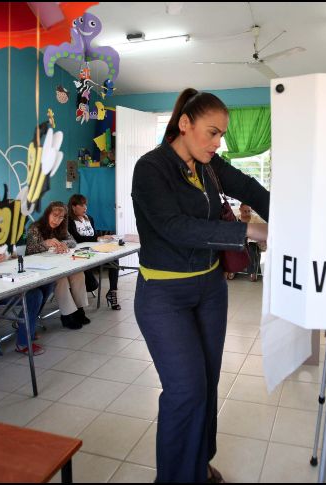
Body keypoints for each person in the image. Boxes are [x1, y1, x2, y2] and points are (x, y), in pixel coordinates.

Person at [131, 88, 269, 483]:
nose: (217, 143)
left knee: (207, 383)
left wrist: (291, 216)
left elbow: (250, 188)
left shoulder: (209, 166)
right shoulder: (151, 168)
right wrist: (249, 231)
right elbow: (174, 227)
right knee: (186, 389)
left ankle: (198, 465)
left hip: (209, 289)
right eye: (212, 132)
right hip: (164, 295)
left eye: (221, 134)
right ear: (184, 124)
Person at [0, 229, 54, 355]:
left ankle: (26, 325)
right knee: (34, 295)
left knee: (47, 284)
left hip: (8, 280)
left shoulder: (8, 235)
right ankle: (23, 342)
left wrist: (17, 259)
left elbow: (12, 256)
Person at [25, 201, 89, 330]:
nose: (57, 220)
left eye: (61, 217)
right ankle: (67, 314)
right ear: (47, 214)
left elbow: (73, 242)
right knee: (61, 279)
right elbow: (30, 250)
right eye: (54, 216)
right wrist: (45, 243)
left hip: (58, 263)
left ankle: (79, 309)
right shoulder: (35, 227)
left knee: (78, 274)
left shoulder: (62, 227)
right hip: (38, 267)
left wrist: (63, 243)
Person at [66, 193, 121, 310]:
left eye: (85, 205)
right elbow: (77, 239)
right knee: (92, 285)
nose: (85, 207)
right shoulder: (68, 220)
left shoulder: (89, 218)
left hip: (95, 250)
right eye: (82, 205)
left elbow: (94, 235)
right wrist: (98, 238)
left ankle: (113, 292)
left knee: (114, 260)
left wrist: (103, 239)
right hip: (80, 252)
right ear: (73, 206)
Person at [238, 203, 266, 282]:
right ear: (240, 210)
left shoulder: (256, 218)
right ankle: (231, 270)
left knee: (252, 249)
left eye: (249, 211)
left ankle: (253, 272)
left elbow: (264, 229)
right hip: (240, 240)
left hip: (253, 241)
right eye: (245, 211)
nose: (247, 213)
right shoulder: (236, 218)